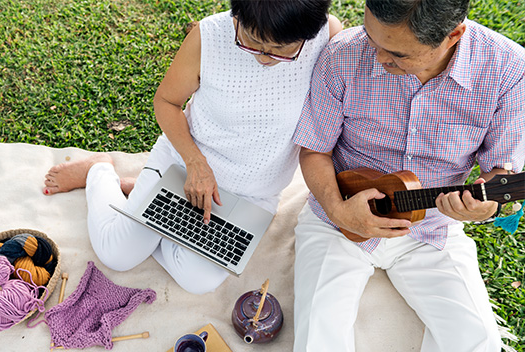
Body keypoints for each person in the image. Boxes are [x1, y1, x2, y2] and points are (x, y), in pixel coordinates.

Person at [43, 0, 342, 294]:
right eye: (252, 41)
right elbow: (166, 102)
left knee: (198, 280)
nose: (263, 57)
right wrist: (195, 163)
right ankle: (99, 171)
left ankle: (147, 201)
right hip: (185, 165)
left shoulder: (327, 36)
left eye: (280, 49)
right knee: (117, 254)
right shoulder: (208, 36)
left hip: (252, 193)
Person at [292, 0, 525, 350]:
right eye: (373, 39)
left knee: (478, 343)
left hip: (432, 227)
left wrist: (483, 206)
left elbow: (499, 175)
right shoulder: (343, 53)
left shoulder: (510, 71)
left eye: (398, 54)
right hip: (338, 215)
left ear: (453, 35)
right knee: (317, 338)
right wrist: (339, 210)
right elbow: (314, 149)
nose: (377, 57)